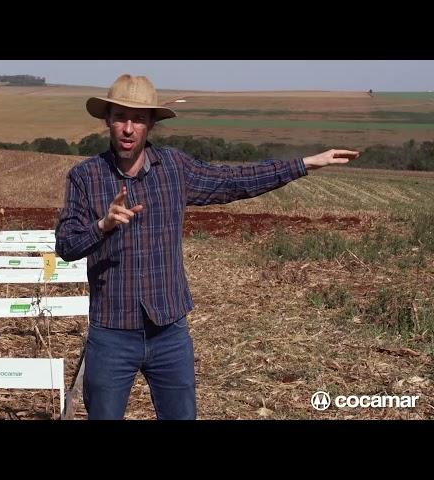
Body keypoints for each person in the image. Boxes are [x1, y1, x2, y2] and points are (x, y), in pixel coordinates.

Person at [55, 73, 358, 420]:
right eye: (121, 117)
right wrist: (102, 226)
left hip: (169, 332)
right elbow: (65, 244)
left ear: (151, 124)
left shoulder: (174, 169)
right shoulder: (85, 177)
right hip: (111, 334)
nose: (128, 128)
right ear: (107, 119)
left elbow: (234, 181)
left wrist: (304, 164)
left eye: (138, 119)